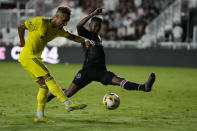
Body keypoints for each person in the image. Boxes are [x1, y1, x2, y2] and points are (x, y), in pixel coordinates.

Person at [47, 8, 156, 103]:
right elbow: (79, 26)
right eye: (95, 25)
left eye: (99, 26)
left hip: (101, 71)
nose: (97, 28)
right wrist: (92, 14)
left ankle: (144, 87)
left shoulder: (98, 37)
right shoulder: (87, 34)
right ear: (90, 25)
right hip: (87, 71)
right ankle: (55, 93)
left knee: (120, 80)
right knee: (68, 94)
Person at [18, 6, 92, 123]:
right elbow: (21, 26)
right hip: (29, 56)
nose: (65, 23)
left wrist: (85, 40)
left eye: (67, 21)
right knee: (48, 78)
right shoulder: (40, 22)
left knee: (44, 85)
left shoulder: (58, 30)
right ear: (56, 16)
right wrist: (22, 41)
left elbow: (72, 37)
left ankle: (40, 116)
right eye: (64, 20)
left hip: (31, 58)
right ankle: (68, 104)